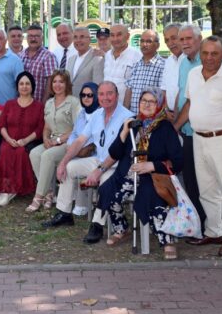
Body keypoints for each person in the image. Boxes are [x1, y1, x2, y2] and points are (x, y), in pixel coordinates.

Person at [95, 90, 183, 256]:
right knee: (109, 192)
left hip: (152, 176)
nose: (147, 104)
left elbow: (178, 161)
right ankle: (122, 228)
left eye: (152, 101)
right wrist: (123, 133)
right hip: (127, 174)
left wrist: (152, 165)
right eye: (144, 100)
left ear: (159, 105)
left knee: (153, 198)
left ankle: (166, 241)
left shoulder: (165, 127)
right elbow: (114, 153)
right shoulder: (132, 123)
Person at [180, 37, 222, 257]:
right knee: (207, 190)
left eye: (214, 53)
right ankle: (214, 230)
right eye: (205, 53)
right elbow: (190, 103)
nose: (208, 58)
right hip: (198, 138)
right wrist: (175, 126)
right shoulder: (193, 74)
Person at [43, 81, 133, 230]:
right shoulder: (97, 114)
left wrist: (99, 171)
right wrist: (63, 162)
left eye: (110, 93)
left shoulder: (127, 117)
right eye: (102, 94)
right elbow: (80, 141)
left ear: (117, 95)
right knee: (69, 167)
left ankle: (97, 225)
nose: (105, 97)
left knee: (104, 179)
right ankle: (64, 213)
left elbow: (119, 152)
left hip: (116, 164)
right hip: (99, 159)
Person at [27, 70, 80, 211]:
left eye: (61, 82)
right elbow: (46, 126)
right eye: (55, 81)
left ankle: (38, 197)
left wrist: (59, 139)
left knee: (47, 156)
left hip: (68, 143)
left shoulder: (74, 102)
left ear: (67, 84)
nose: (57, 85)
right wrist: (45, 138)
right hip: (51, 141)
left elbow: (78, 128)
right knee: (34, 153)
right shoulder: (49, 103)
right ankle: (49, 192)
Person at [0, 72, 44, 206]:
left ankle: (14, 189)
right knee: (5, 150)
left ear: (32, 86)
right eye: (21, 84)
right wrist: (8, 139)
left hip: (29, 142)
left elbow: (39, 129)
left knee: (21, 152)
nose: (24, 87)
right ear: (17, 87)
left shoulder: (39, 106)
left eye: (27, 84)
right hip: (9, 139)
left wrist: (25, 140)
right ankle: (6, 189)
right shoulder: (9, 104)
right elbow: (2, 125)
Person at [172, 24, 204, 223]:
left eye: (188, 39)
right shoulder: (184, 62)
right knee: (189, 179)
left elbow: (194, 102)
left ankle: (204, 222)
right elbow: (181, 92)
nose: (184, 43)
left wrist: (174, 126)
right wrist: (175, 121)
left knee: (200, 182)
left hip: (199, 132)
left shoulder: (205, 62)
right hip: (184, 130)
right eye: (181, 39)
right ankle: (195, 221)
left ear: (199, 39)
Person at [124, 30, 167, 114]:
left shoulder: (163, 66)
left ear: (157, 45)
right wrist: (125, 114)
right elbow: (129, 91)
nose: (144, 44)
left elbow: (163, 94)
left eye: (149, 41)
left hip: (152, 119)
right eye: (142, 41)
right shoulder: (135, 65)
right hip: (134, 117)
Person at [20, 24, 57, 102]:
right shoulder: (20, 56)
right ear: (27, 38)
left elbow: (50, 82)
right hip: (22, 104)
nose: (33, 39)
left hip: (40, 104)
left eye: (37, 36)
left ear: (42, 38)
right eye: (30, 36)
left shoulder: (48, 56)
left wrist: (43, 105)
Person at [103, 24, 141, 101]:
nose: (115, 39)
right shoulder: (108, 55)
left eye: (119, 35)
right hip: (107, 106)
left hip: (127, 108)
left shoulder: (137, 56)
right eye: (112, 35)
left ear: (127, 36)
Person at [69, 27, 105, 94]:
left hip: (87, 102)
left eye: (82, 37)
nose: (78, 40)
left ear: (89, 39)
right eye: (75, 37)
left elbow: (97, 86)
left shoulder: (97, 59)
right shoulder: (71, 59)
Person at [159, 24, 183, 117]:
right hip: (169, 114)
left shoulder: (189, 61)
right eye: (167, 40)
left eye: (174, 38)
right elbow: (164, 89)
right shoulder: (168, 61)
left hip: (185, 116)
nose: (170, 43)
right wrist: (165, 111)